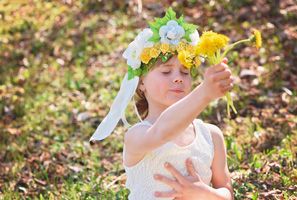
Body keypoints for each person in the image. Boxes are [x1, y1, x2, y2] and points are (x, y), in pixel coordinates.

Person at [90, 7, 233, 200]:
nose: (178, 78)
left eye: (185, 72)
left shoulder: (211, 136)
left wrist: (203, 193)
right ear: (141, 84)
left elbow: (226, 192)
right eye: (166, 72)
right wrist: (205, 93)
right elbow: (163, 131)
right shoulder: (137, 136)